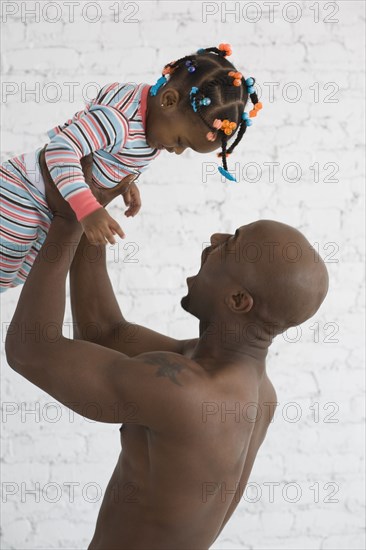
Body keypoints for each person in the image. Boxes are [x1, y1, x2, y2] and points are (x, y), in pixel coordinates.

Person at [5, 170, 329, 550]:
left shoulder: (185, 391)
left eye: (230, 244)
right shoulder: (249, 388)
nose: (215, 240)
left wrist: (64, 221)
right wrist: (90, 206)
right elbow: (103, 332)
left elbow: (30, 351)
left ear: (239, 301)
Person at [0, 43, 263, 292]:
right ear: (169, 101)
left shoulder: (153, 125)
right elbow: (61, 150)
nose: (177, 151)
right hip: (21, 197)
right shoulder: (119, 119)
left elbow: (110, 154)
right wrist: (88, 209)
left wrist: (126, 181)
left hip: (48, 212)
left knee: (20, 277)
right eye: (181, 141)